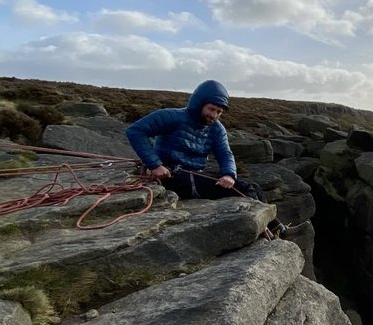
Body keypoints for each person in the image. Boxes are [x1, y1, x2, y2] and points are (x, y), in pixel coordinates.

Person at [126, 79, 298, 238]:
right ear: (199, 104)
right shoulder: (172, 116)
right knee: (245, 189)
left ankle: (278, 228)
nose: (214, 115)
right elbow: (135, 131)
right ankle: (271, 232)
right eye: (211, 109)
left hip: (193, 174)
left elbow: (225, 153)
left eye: (219, 112)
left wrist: (229, 174)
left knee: (254, 187)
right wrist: (155, 164)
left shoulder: (216, 129)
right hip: (171, 175)